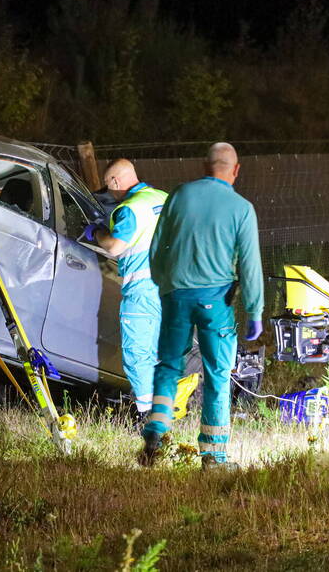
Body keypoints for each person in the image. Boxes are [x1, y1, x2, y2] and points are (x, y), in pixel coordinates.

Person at [139, 143, 264, 470]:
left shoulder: (180, 195)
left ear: (204, 166)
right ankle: (213, 455)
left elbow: (158, 246)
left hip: (176, 295)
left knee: (169, 365)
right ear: (236, 170)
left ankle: (156, 428)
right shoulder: (241, 208)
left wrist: (163, 283)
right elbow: (250, 265)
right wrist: (255, 311)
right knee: (217, 374)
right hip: (216, 301)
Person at [81, 159, 168, 421]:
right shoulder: (163, 198)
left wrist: (97, 232)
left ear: (115, 181)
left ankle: (146, 416)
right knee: (157, 352)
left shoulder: (130, 208)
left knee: (137, 354)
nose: (110, 193)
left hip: (142, 289)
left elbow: (115, 246)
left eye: (108, 186)